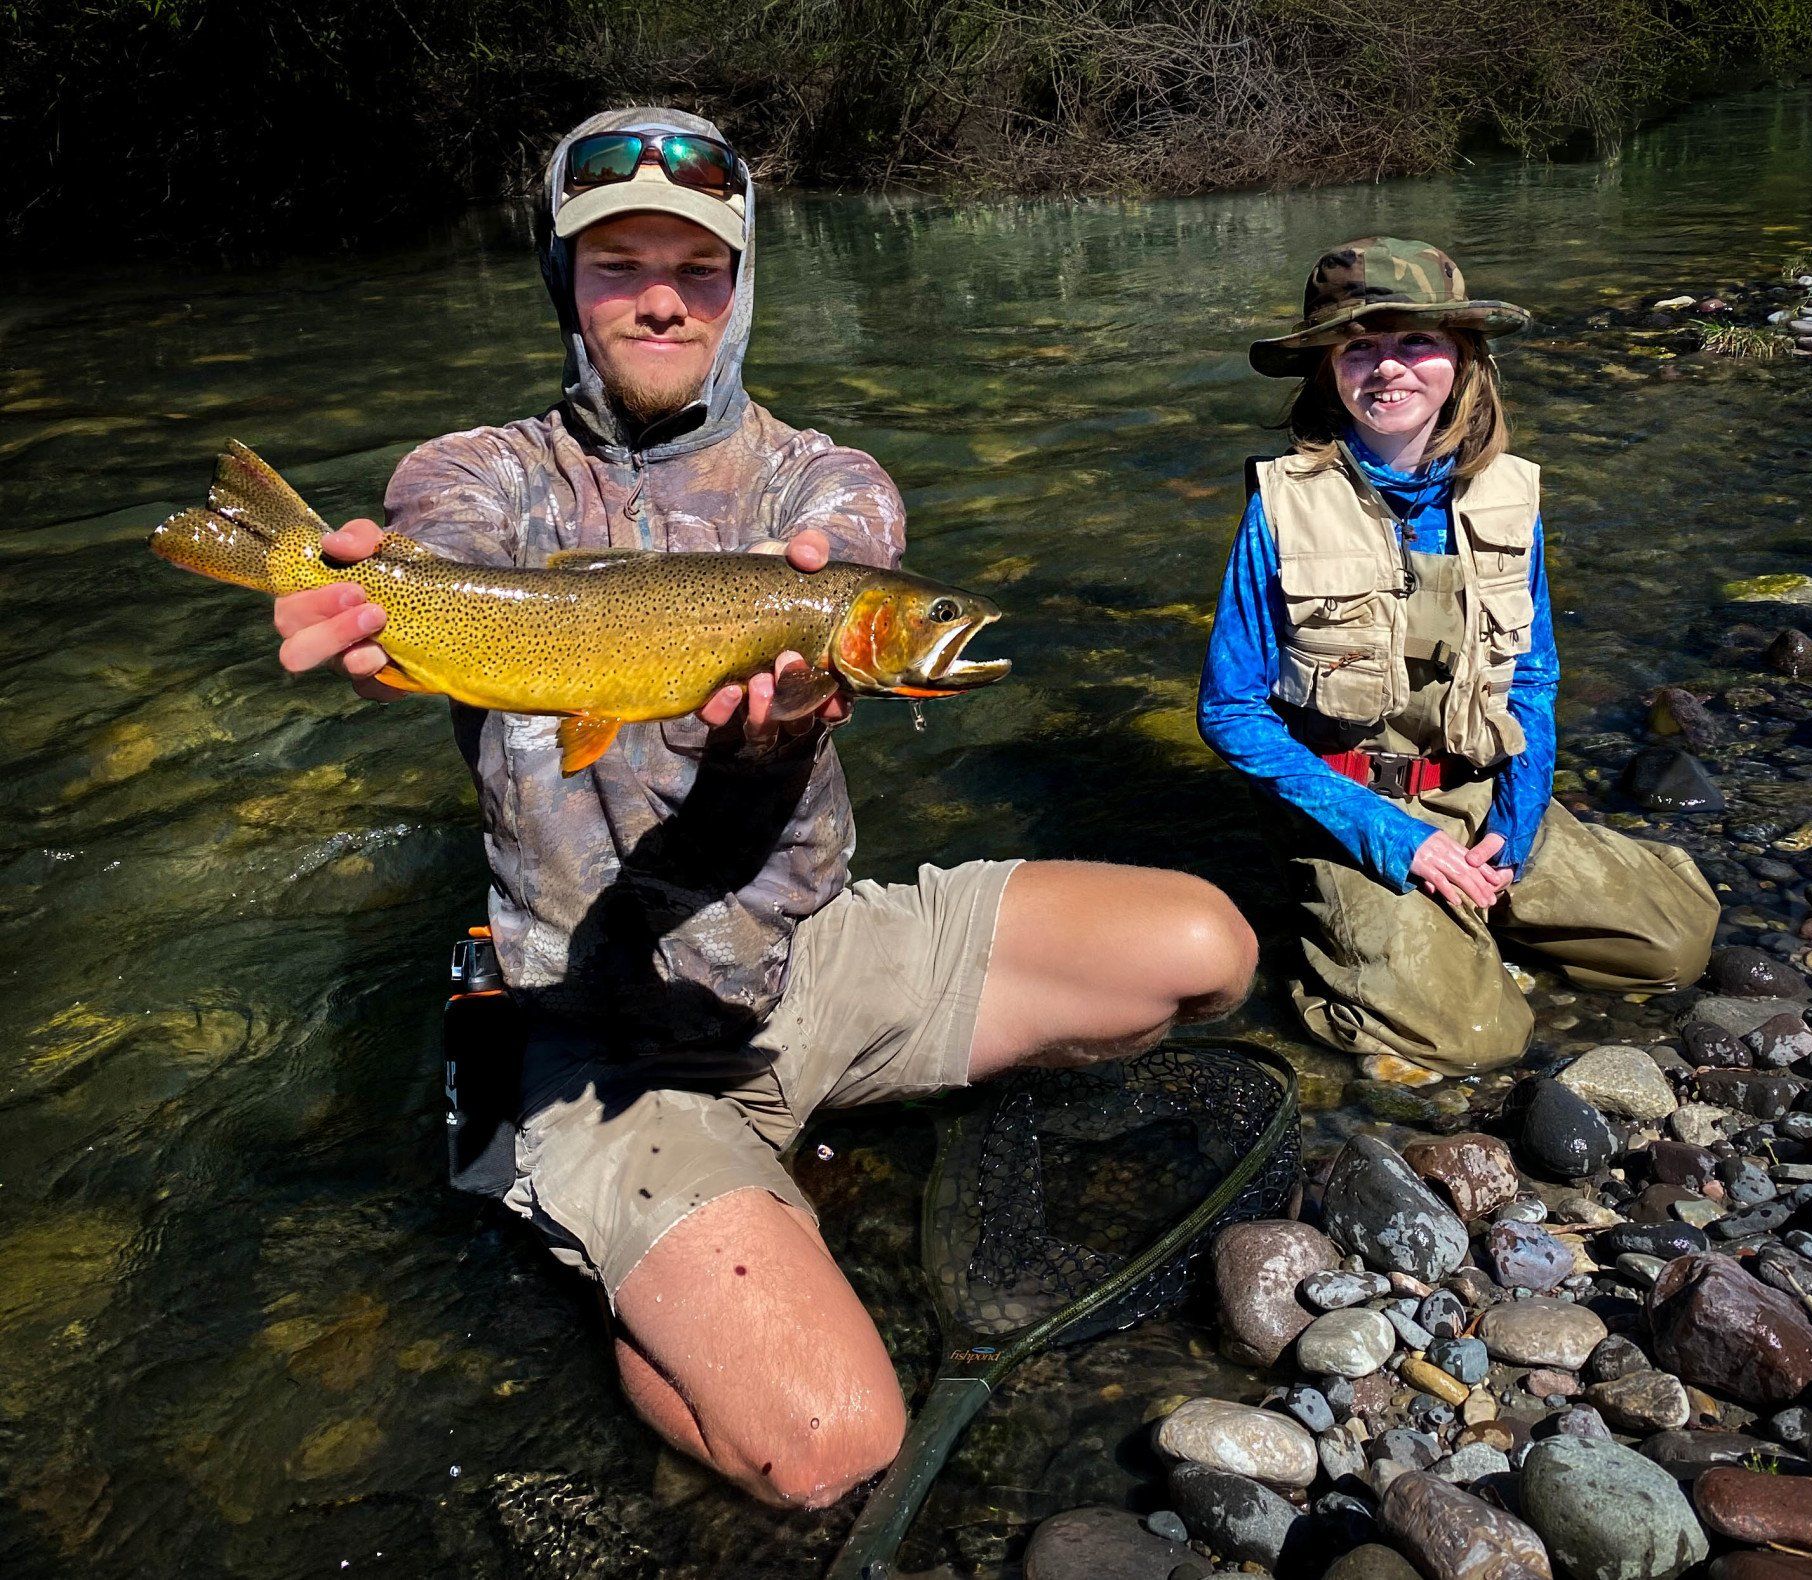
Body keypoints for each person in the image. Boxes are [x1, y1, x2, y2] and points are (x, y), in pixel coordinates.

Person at [269, 107, 1258, 1510]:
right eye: (619, 264)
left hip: (798, 965)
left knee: (1203, 949)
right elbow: (445, 549)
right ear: (566, 286)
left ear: (739, 296)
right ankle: (615, 1238)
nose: (663, 295)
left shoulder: (820, 481)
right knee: (831, 1451)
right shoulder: (474, 472)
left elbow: (845, 550)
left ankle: (759, 1186)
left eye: (700, 268)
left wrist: (816, 646)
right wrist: (394, 601)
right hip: (600, 1032)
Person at [1198, 237, 1716, 1084]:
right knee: (1473, 1043)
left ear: (1463, 360)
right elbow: (1231, 711)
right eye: (1358, 347)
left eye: (1415, 343)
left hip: (1479, 784)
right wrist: (1395, 839)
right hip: (1355, 803)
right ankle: (1335, 951)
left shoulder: (1509, 493)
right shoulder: (1282, 507)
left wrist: (1516, 819)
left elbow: (1535, 678)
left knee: (1674, 947)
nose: (1387, 369)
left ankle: (1479, 915)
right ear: (1327, 370)